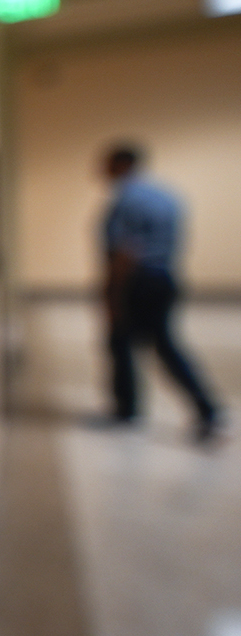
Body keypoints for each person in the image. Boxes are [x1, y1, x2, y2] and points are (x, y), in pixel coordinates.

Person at [99, 143, 226, 443]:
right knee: (144, 344)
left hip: (137, 282)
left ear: (121, 164)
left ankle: (205, 410)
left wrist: (113, 295)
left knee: (145, 344)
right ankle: (130, 409)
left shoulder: (125, 199)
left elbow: (125, 251)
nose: (101, 171)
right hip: (164, 278)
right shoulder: (167, 196)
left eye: (106, 164)